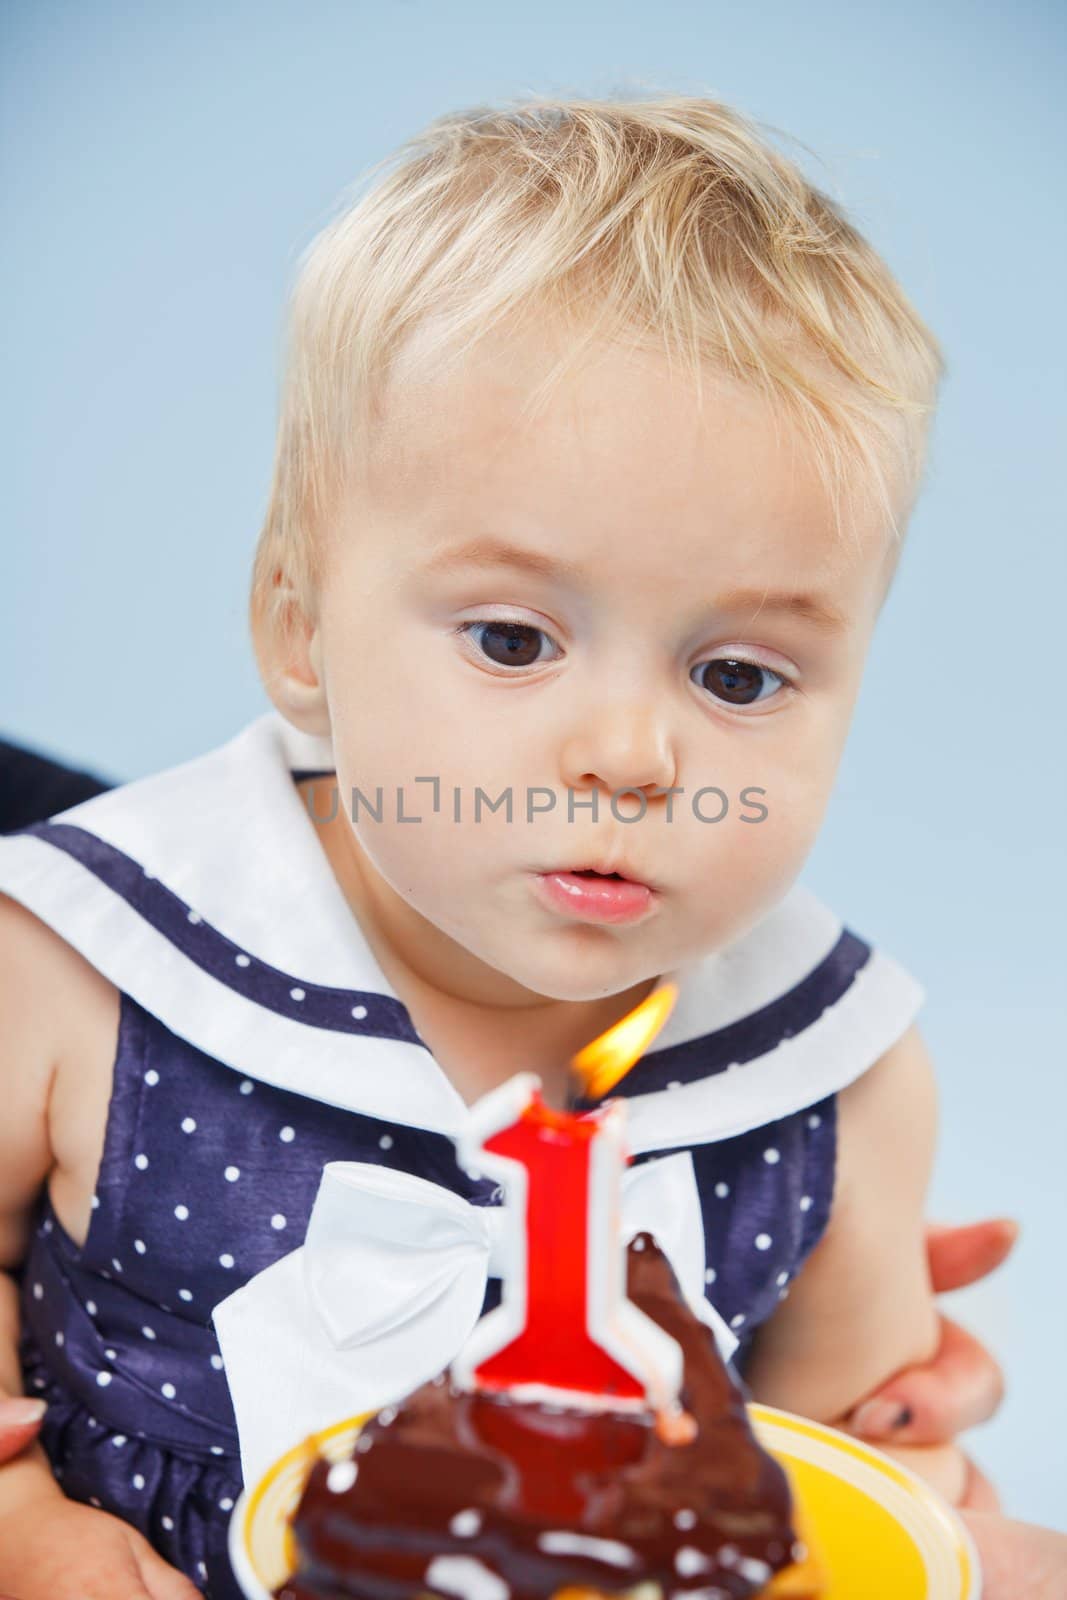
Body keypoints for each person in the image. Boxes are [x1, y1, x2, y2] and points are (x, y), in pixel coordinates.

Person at [0, 92, 1030, 1597]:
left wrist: (914, 1496)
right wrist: (21, 1524)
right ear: (299, 628)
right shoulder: (92, 960)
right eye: (511, 637)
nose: (630, 754)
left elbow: (856, 1467)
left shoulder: (837, 1074)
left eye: (737, 674)